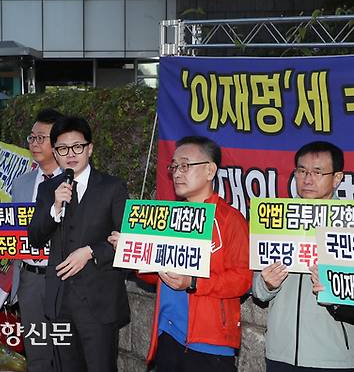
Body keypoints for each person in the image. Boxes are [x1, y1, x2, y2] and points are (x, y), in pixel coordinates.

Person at [109, 135, 251, 372]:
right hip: (168, 334)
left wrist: (193, 282)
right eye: (173, 166)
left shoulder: (230, 219)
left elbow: (243, 280)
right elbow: (155, 276)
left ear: (210, 170)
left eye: (185, 165)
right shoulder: (167, 217)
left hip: (210, 344)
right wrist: (133, 254)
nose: (176, 172)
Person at [28, 116, 130, 372]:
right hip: (60, 301)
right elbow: (35, 237)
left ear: (90, 148)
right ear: (55, 153)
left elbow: (127, 240)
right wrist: (55, 207)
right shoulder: (48, 189)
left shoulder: (113, 187)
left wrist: (91, 252)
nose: (70, 154)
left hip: (99, 302)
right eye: (62, 149)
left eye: (77, 147)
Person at [252, 141, 354, 371]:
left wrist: (335, 294)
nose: (307, 179)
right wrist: (267, 285)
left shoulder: (349, 224)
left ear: (337, 178)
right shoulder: (276, 220)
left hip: (333, 357)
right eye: (301, 171)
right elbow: (258, 291)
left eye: (318, 172)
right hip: (280, 353)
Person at [0, 108, 62, 372]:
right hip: (28, 279)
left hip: (62, 278)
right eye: (32, 137)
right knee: (36, 352)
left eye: (41, 138)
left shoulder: (76, 182)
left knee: (65, 351)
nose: (34, 143)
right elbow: (11, 231)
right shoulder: (22, 184)